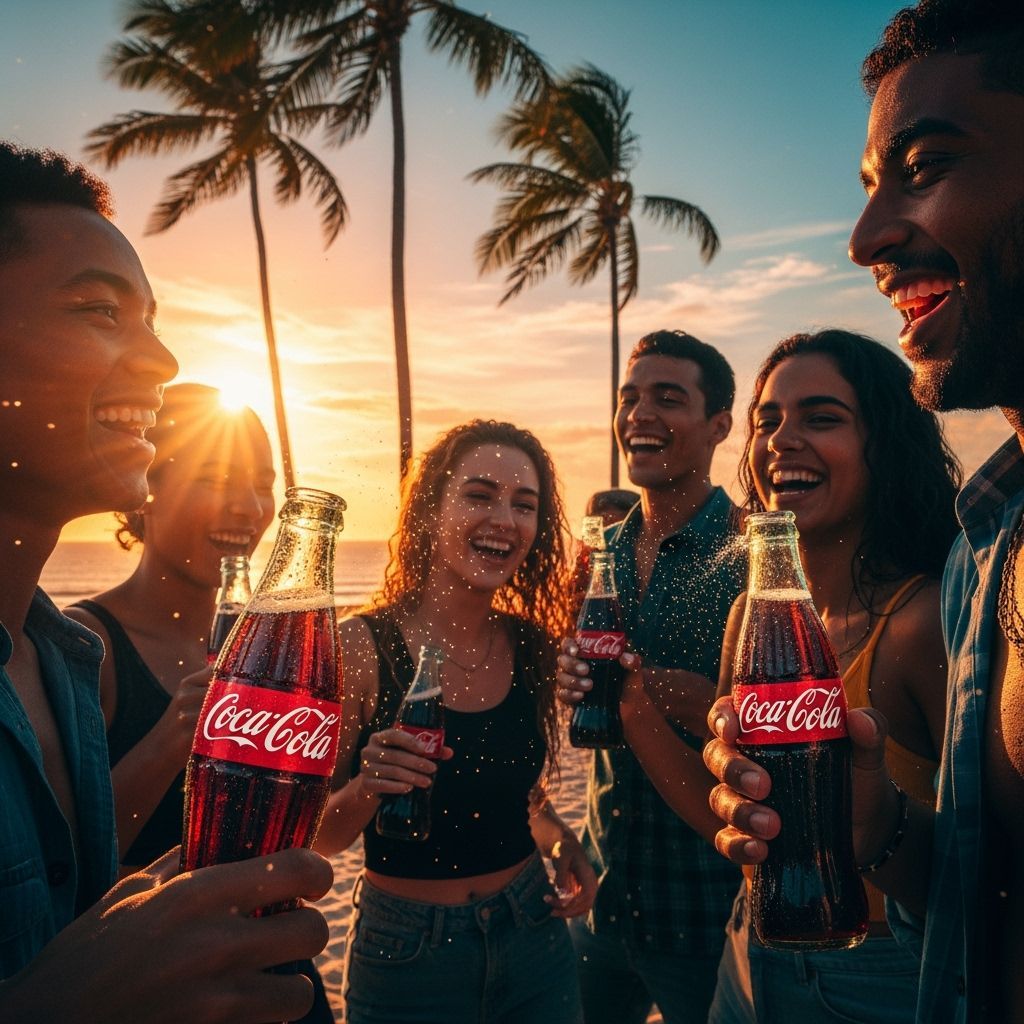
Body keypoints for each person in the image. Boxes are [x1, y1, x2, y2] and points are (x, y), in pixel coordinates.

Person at [703, 3, 1024, 1022]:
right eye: (767, 420)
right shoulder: (988, 555)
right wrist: (877, 822)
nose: (864, 237)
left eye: (924, 164)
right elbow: (989, 915)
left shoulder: (931, 602)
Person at [0, 141, 330, 1022]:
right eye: (100, 310)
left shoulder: (54, 659)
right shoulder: (97, 644)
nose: (161, 360)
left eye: (150, 318)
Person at [705, 329, 960, 1023]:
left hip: (877, 970)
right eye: (767, 422)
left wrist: (878, 830)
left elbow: (991, 870)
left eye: (821, 418)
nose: (781, 439)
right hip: (750, 945)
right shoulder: (748, 620)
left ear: (886, 445)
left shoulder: (923, 620)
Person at [315, 419, 597, 1023]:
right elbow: (316, 838)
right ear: (429, 509)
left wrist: (563, 840)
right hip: (407, 950)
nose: (504, 518)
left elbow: (517, 794)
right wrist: (369, 785)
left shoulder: (534, 648)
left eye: (525, 506)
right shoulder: (361, 648)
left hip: (534, 930)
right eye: (479, 494)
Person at [557, 329, 745, 1024]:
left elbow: (781, 734)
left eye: (668, 398)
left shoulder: (752, 553)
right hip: (605, 900)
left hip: (706, 911)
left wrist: (687, 702)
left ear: (719, 424)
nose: (639, 413)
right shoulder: (599, 551)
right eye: (630, 397)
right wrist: (571, 676)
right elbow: (579, 676)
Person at [65, 383, 276, 871]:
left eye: (262, 484)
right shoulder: (86, 645)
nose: (248, 506)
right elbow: (62, 861)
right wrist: (175, 736)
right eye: (216, 477)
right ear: (144, 489)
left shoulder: (266, 646)